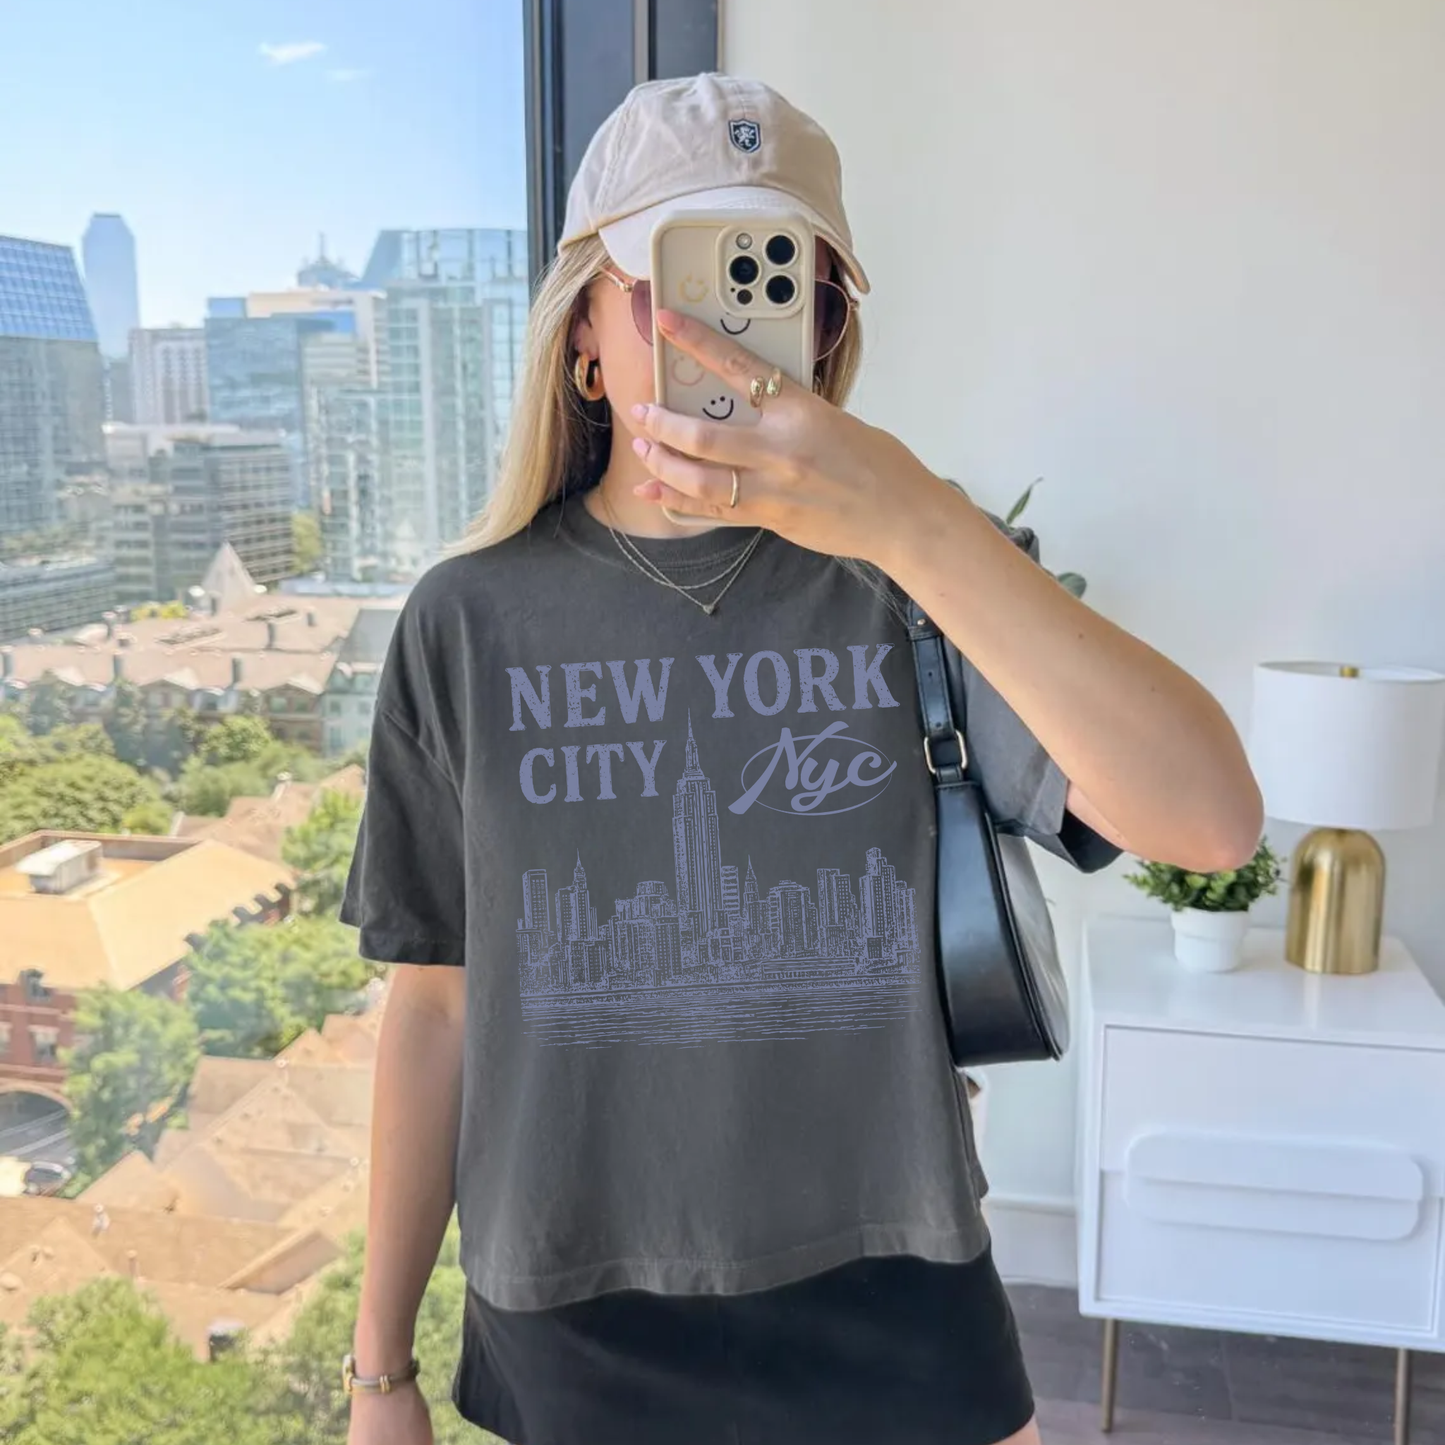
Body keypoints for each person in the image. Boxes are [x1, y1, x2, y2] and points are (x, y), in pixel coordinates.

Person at [340, 73, 1262, 1445]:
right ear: (585, 327)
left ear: (829, 333)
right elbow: (434, 1007)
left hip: (896, 1287)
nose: (729, 336)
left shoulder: (917, 580)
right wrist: (380, 1373)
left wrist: (915, 521)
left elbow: (1212, 821)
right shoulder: (466, 622)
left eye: (778, 283)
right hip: (574, 1307)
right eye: (681, 282)